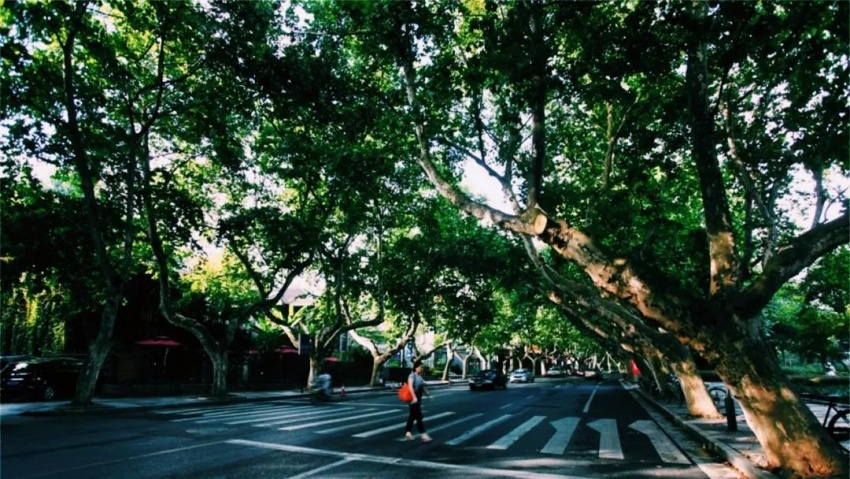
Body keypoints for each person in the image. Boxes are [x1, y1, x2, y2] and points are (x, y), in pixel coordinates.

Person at [404, 360, 432, 442]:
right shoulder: (412, 376)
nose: (422, 368)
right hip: (413, 399)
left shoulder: (420, 377)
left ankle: (408, 432)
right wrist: (414, 397)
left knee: (412, 416)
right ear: (416, 368)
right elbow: (410, 387)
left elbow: (423, 387)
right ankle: (423, 435)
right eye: (420, 367)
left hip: (418, 400)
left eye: (422, 367)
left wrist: (428, 396)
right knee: (419, 416)